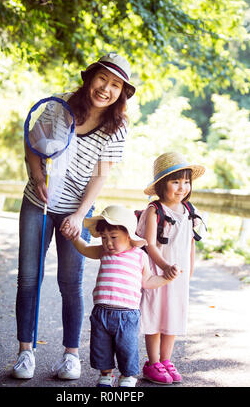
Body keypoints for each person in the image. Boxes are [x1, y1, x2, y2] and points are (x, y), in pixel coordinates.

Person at [12, 53, 136, 380]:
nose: (105, 89)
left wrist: (80, 215)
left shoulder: (117, 127)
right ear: (89, 77)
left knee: (70, 282)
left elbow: (100, 176)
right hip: (37, 202)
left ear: (121, 92)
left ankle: (71, 355)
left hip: (76, 208)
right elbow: (32, 142)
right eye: (102, 79)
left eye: (115, 85)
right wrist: (38, 179)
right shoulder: (61, 104)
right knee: (28, 278)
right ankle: (25, 353)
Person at [63, 205, 179, 387]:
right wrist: (74, 238)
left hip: (127, 315)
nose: (108, 243)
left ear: (128, 235)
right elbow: (85, 248)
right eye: (104, 238)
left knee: (127, 348)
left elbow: (147, 281)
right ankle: (106, 374)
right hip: (101, 312)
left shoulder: (139, 256)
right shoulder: (103, 252)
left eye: (114, 237)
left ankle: (127, 376)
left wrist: (165, 278)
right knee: (101, 347)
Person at [136, 152, 205, 384]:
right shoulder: (155, 211)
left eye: (186, 181)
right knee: (155, 316)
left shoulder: (190, 211)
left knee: (173, 316)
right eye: (175, 181)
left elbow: (191, 247)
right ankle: (153, 362)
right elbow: (149, 245)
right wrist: (165, 267)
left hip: (178, 276)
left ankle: (166, 360)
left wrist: (189, 271)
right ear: (161, 185)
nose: (182, 187)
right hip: (157, 274)